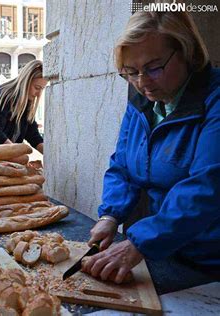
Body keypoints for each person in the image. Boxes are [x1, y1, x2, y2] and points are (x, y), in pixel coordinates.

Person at [82, 10, 220, 284]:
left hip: (210, 260)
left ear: (186, 52)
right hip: (167, 252)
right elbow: (123, 165)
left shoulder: (213, 100)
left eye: (154, 67)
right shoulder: (142, 101)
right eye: (131, 72)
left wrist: (139, 243)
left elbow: (208, 186)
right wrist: (111, 214)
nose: (143, 82)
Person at [0, 60, 47, 154]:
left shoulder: (26, 102)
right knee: (23, 157)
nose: (39, 94)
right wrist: (14, 151)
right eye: (37, 88)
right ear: (25, 82)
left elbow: (33, 135)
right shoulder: (4, 96)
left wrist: (51, 155)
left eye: (42, 89)